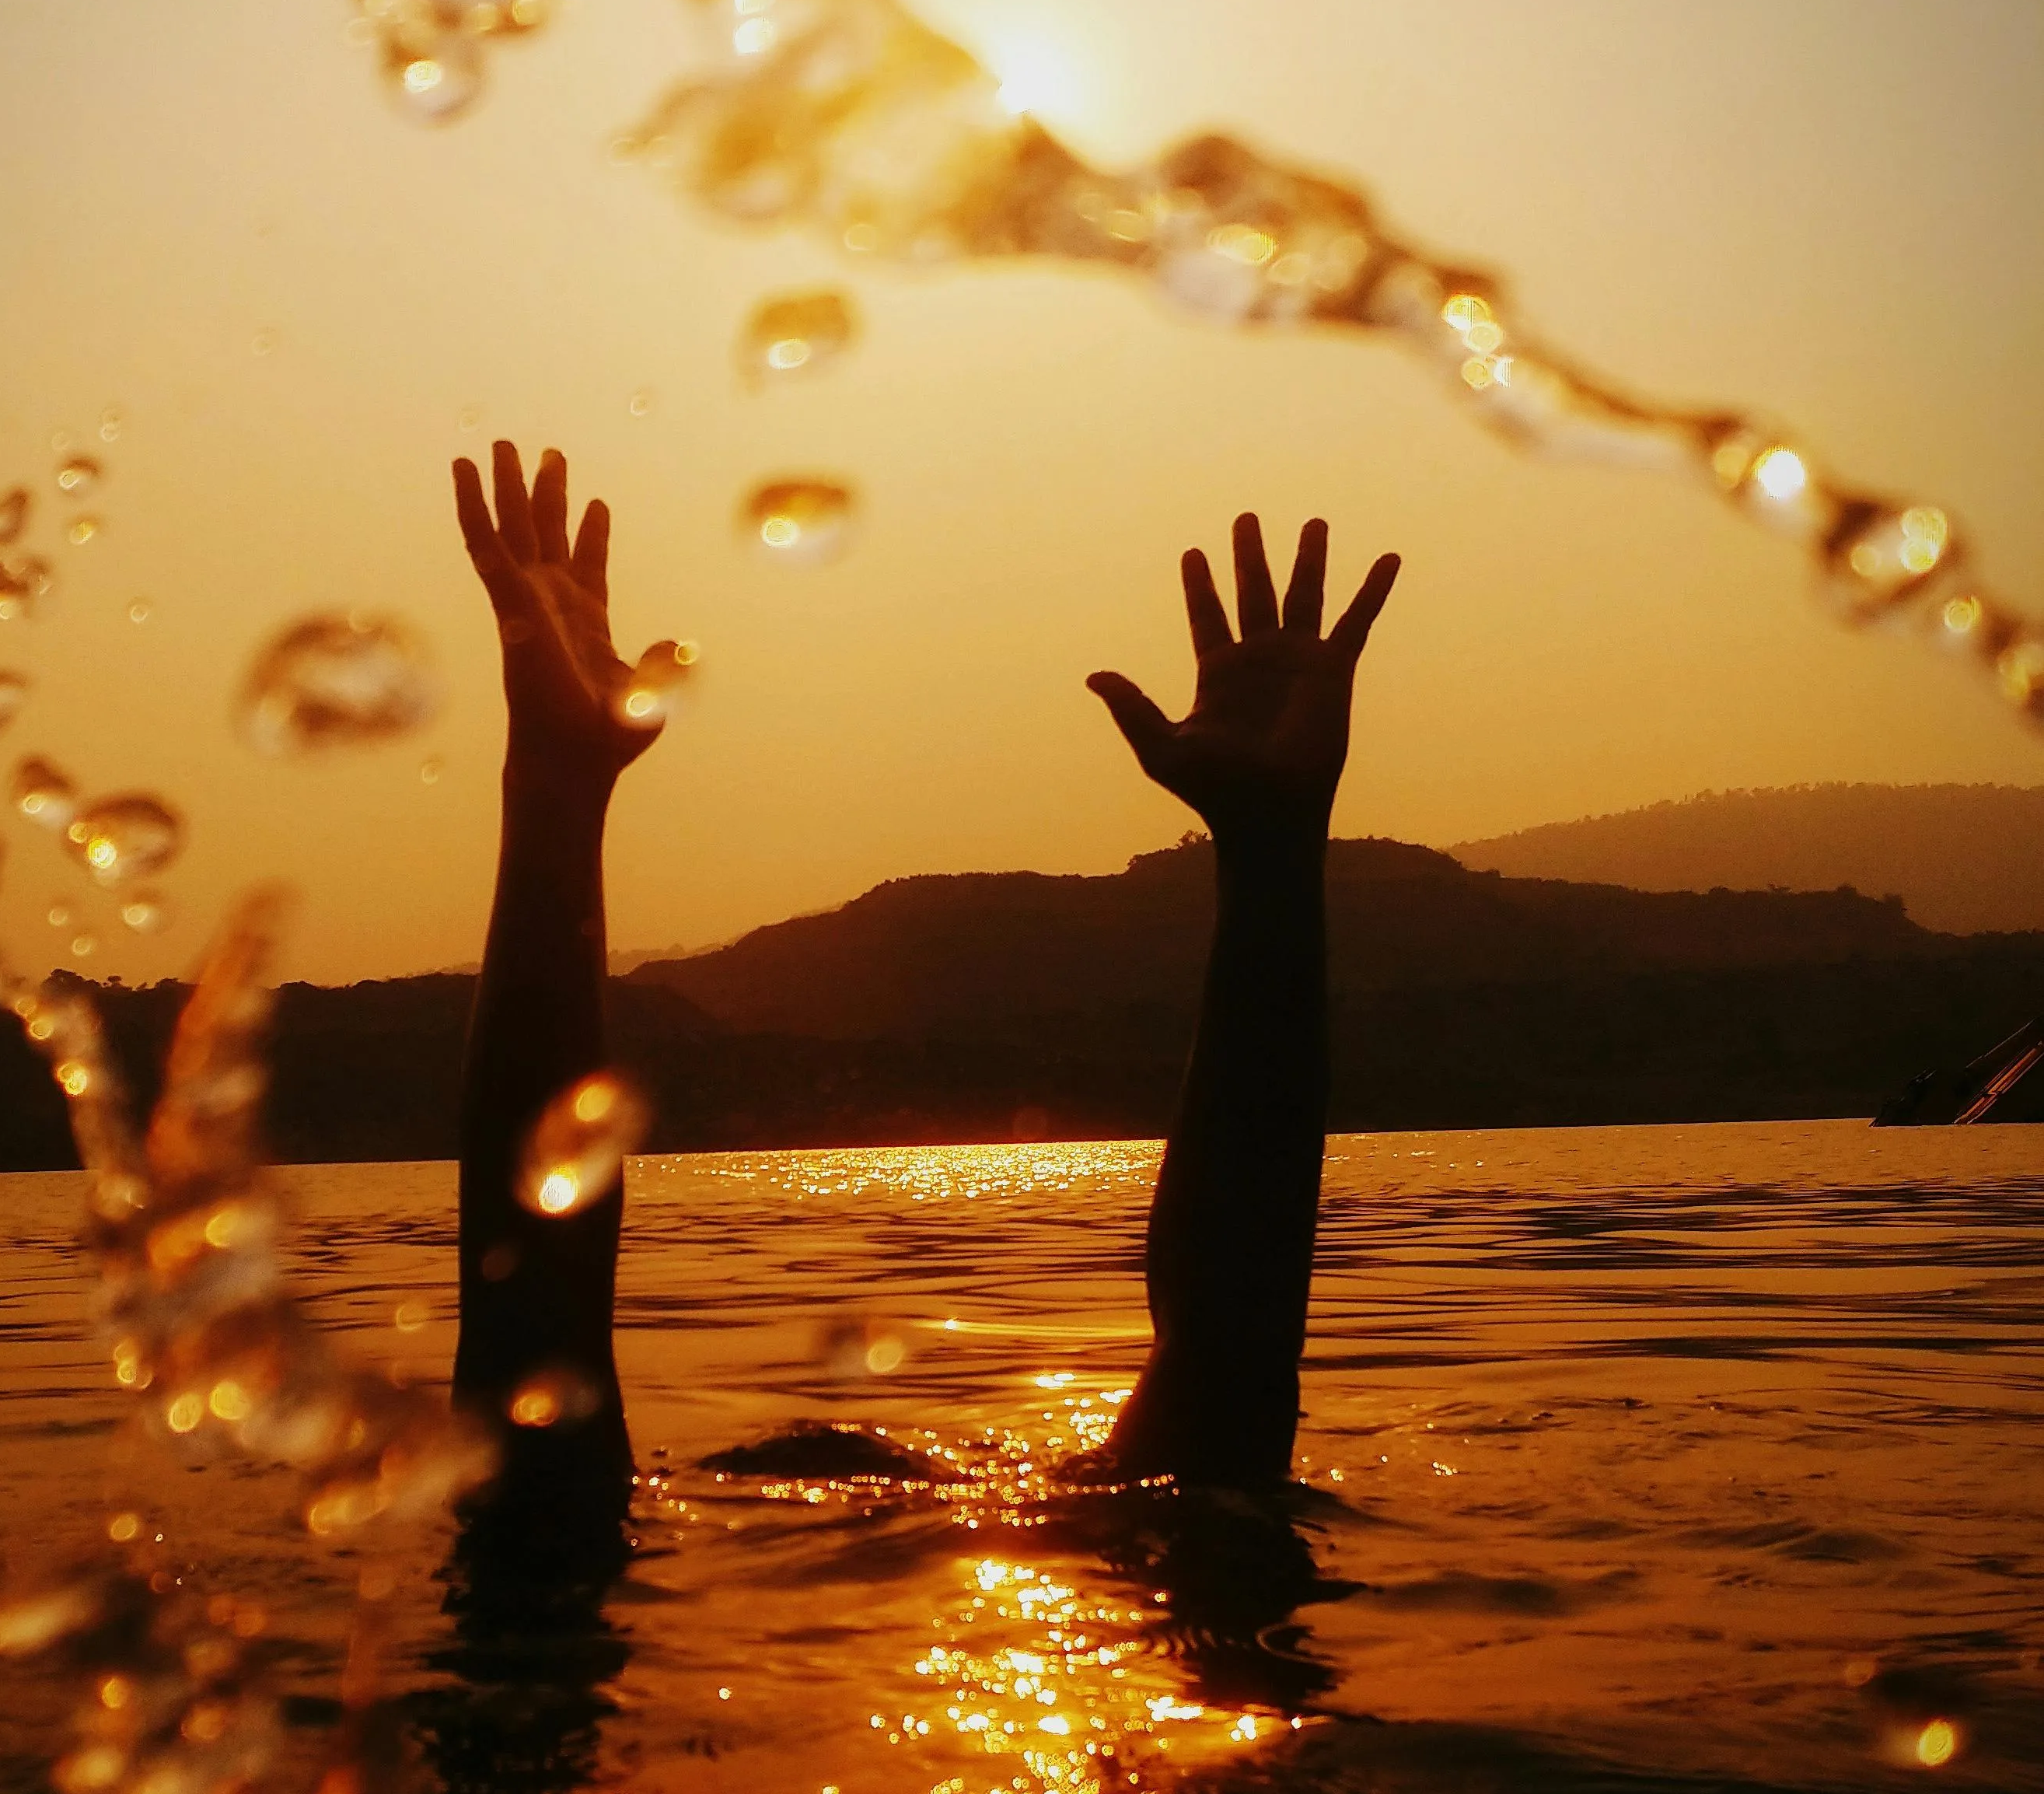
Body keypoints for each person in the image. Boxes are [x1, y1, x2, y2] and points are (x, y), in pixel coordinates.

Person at [449, 443, 1397, 1533]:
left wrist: (558, 790)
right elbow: (1227, 1384)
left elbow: (531, 1342)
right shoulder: (1152, 1500)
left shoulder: (575, 1534)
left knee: (538, 1509)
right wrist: (1273, 854)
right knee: (1204, 1479)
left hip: (621, 1570)